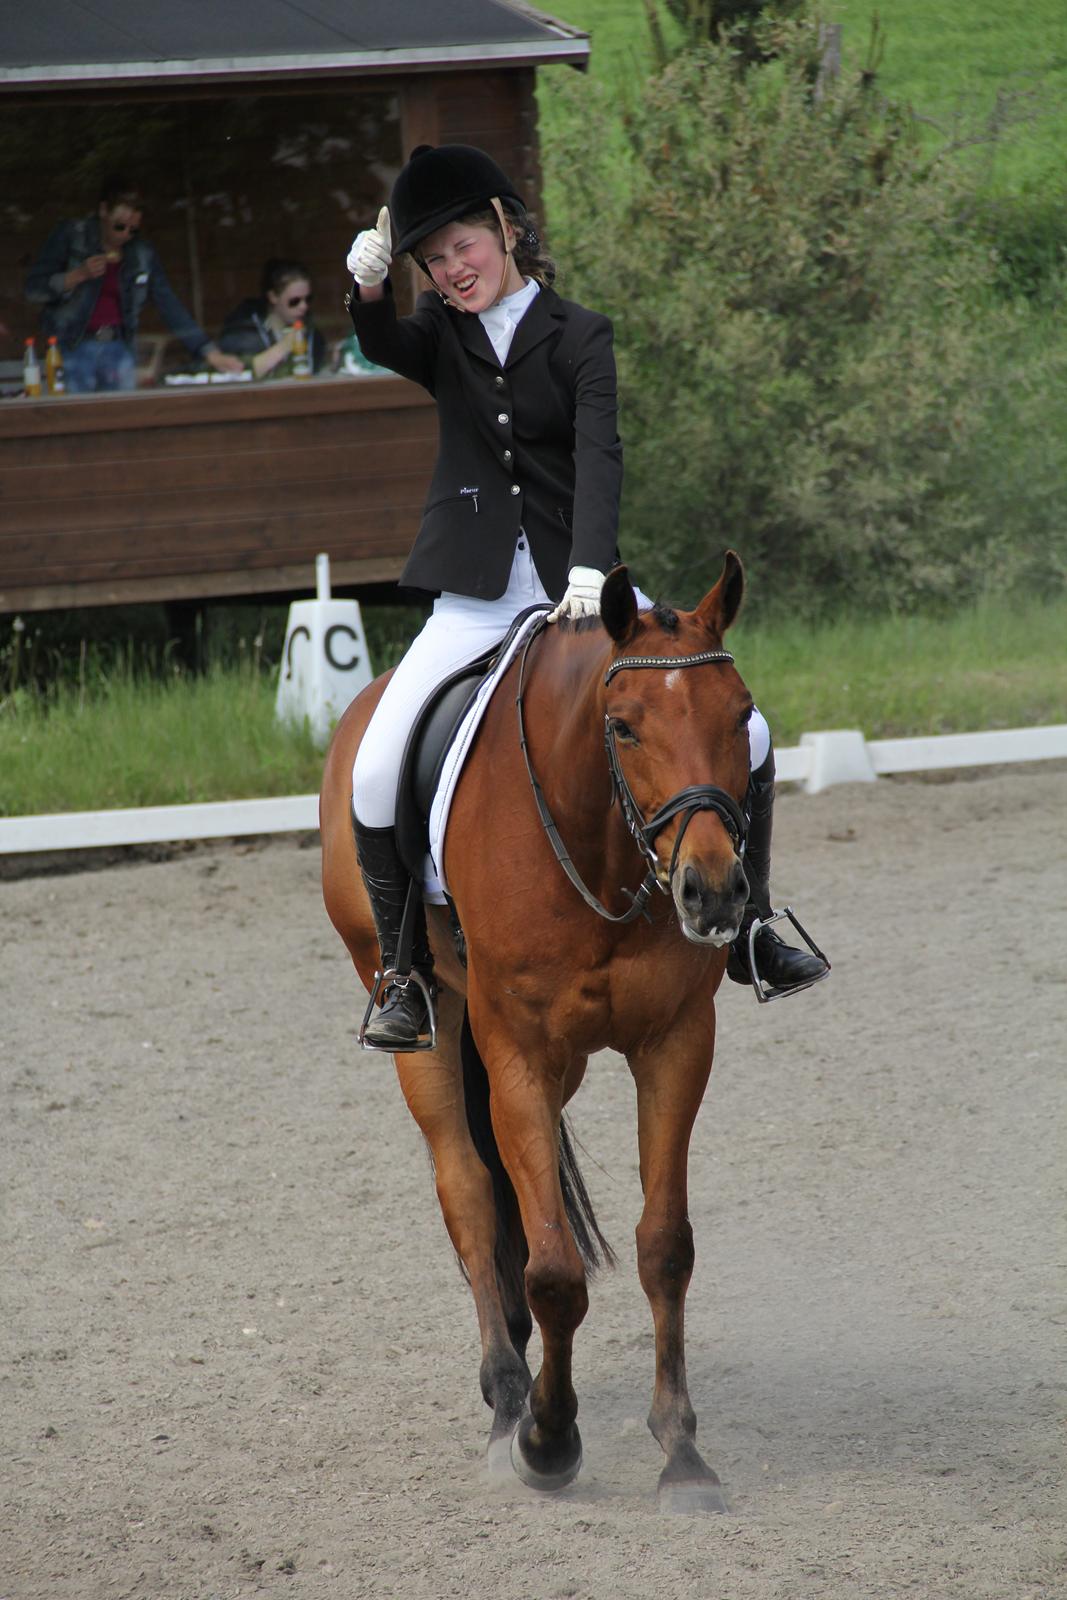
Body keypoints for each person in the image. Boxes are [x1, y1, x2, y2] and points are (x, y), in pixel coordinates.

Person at [345, 144, 826, 1051]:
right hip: (475, 598)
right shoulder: (439, 338)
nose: (453, 270)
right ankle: (404, 974)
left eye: (463, 246)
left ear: (506, 228)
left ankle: (751, 929)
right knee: (374, 771)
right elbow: (378, 341)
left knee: (749, 731)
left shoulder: (580, 335)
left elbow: (600, 454)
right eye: (432, 260)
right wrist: (367, 290)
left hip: (585, 589)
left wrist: (589, 567)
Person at [24, 176, 243, 393]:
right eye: (119, 226)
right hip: (74, 346)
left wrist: (208, 351)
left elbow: (168, 304)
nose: (126, 234)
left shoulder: (141, 253)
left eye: (133, 229)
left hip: (119, 347)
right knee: (80, 419)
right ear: (103, 211)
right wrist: (77, 275)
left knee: (122, 418)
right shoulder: (72, 235)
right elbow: (34, 289)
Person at [217, 259, 327, 379]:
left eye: (308, 299)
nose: (303, 306)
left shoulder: (313, 334)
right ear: (273, 297)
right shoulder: (246, 331)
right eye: (294, 301)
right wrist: (285, 345)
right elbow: (242, 373)